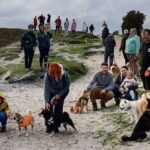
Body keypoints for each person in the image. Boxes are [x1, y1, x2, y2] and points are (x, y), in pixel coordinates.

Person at [44, 62, 70, 133]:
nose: (54, 77)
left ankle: (56, 126)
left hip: (62, 92)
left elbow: (67, 87)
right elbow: (47, 88)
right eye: (53, 75)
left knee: (58, 108)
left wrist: (59, 95)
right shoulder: (47, 75)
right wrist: (47, 101)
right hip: (51, 92)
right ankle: (49, 126)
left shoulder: (65, 75)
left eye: (56, 75)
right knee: (48, 108)